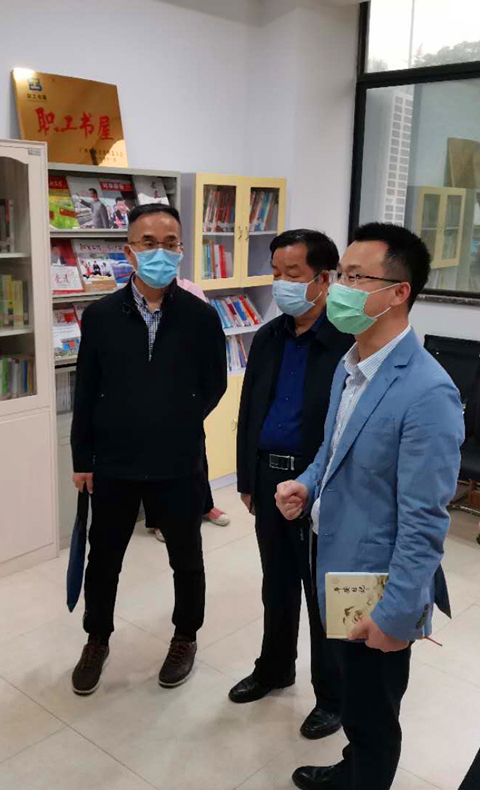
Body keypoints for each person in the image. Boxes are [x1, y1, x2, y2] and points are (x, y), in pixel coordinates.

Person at [275, 223, 464, 790]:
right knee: (354, 699)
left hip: (379, 586)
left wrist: (397, 614)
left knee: (376, 714)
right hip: (336, 565)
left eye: (356, 278)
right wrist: (307, 484)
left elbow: (426, 520)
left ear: (398, 292)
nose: (338, 289)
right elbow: (334, 451)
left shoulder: (428, 392)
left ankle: (365, 777)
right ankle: (350, 771)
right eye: (340, 275)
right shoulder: (351, 363)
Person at [70, 203, 227, 694]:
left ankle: (185, 637)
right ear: (129, 251)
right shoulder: (100, 316)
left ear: (181, 249)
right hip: (114, 462)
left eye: (170, 242)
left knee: (187, 558)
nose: (160, 252)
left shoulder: (201, 316)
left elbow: (215, 383)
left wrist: (176, 421)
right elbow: (86, 390)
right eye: (148, 242)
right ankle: (97, 639)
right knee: (104, 560)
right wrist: (82, 458)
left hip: (179, 461)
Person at [229, 230, 352, 742]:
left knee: (322, 592)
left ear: (324, 279)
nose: (281, 283)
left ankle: (333, 696)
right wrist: (247, 479)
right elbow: (249, 410)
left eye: (292, 274)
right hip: (269, 475)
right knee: (276, 582)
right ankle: (274, 668)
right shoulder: (268, 337)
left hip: (320, 480)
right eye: (276, 272)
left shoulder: (347, 341)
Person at [146, 274, 230, 544]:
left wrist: (198, 407)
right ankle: (159, 519)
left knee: (197, 453)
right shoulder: (136, 295)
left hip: (186, 390)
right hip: (151, 390)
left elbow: (204, 338)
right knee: (155, 457)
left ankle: (205, 505)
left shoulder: (191, 290)